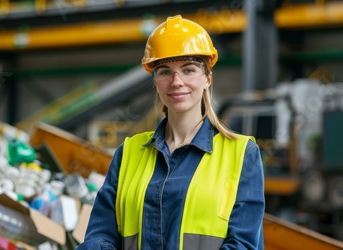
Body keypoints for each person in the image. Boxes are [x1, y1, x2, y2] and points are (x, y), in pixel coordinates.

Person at [76, 15, 265, 250]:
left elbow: (244, 244)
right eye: (165, 71)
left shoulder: (241, 154)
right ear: (155, 81)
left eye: (188, 70)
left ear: (207, 78)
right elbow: (100, 235)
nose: (176, 81)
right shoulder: (128, 153)